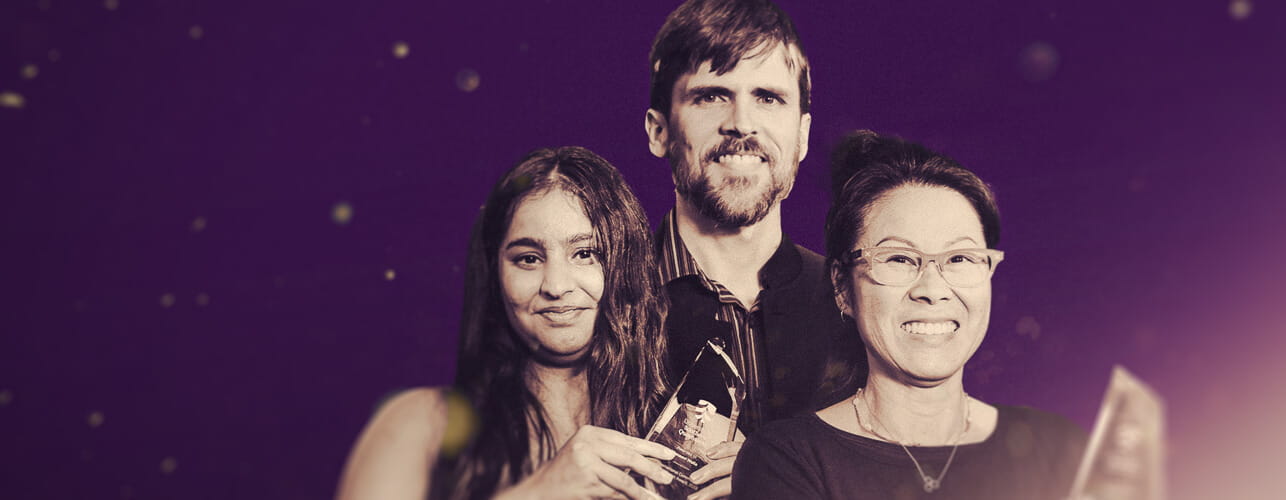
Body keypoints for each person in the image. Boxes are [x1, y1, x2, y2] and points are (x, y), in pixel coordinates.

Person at [731, 131, 1087, 499]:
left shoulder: (1059, 449)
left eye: (960, 258)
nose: (932, 290)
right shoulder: (785, 460)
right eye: (899, 259)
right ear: (842, 286)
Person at [338, 147, 681, 499]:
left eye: (584, 254)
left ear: (627, 264)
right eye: (528, 259)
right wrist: (539, 492)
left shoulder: (677, 430)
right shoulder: (422, 426)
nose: (556, 286)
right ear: (495, 273)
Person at [641, 0, 868, 497]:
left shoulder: (861, 306)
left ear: (802, 135)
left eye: (768, 97)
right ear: (659, 131)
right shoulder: (598, 302)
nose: (742, 123)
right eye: (711, 96)